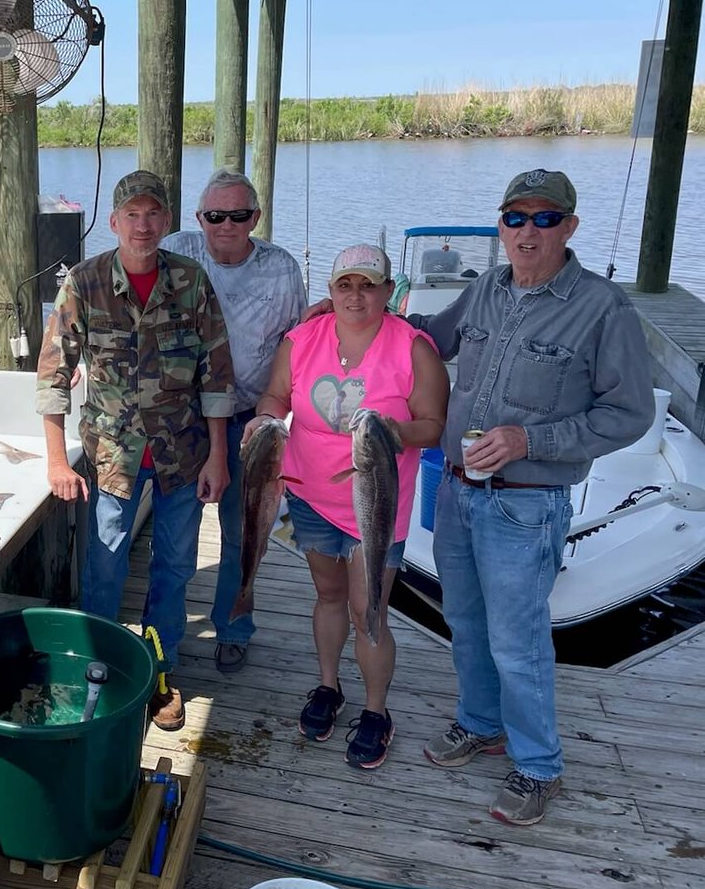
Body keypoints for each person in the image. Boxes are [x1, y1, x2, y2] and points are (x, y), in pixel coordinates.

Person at [415, 169, 654, 824]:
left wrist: (527, 439)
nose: (527, 230)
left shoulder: (603, 307)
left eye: (544, 218)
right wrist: (352, 310)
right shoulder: (487, 287)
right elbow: (426, 339)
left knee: (516, 643)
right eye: (514, 217)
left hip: (523, 505)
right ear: (500, 225)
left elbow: (629, 414)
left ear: (568, 227)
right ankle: (479, 722)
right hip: (455, 493)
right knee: (462, 622)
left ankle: (537, 765)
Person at [36, 169, 234, 731]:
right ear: (114, 221)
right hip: (112, 457)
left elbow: (216, 374)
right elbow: (53, 372)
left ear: (167, 222)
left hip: (183, 454)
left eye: (153, 214)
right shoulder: (85, 281)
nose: (142, 226)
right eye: (132, 215)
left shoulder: (192, 280)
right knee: (104, 567)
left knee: (174, 567)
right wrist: (56, 459)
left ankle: (159, 671)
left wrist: (219, 457)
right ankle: (97, 669)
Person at [244, 243, 448, 768]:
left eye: (368, 284)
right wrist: (265, 422)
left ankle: (376, 711)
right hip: (311, 492)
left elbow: (433, 425)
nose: (356, 295)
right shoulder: (302, 338)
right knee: (329, 595)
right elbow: (276, 397)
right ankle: (328, 686)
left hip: (375, 502)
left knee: (369, 609)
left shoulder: (413, 347)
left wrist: (390, 431)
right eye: (345, 285)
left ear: (387, 291)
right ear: (330, 291)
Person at [161, 169, 306, 673]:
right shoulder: (176, 249)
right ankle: (164, 644)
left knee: (243, 534)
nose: (225, 225)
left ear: (256, 218)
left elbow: (296, 345)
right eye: (214, 216)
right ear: (199, 217)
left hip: (251, 418)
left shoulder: (282, 268)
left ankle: (234, 625)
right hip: (182, 418)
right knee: (176, 538)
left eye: (238, 215)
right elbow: (118, 280)